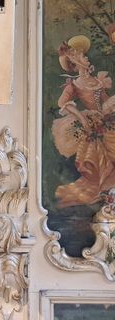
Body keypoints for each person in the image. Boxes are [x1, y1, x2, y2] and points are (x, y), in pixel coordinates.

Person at [51, 35, 115, 208]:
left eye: (86, 56)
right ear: (75, 62)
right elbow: (62, 104)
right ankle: (105, 193)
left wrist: (110, 108)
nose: (87, 58)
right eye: (83, 56)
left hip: (105, 119)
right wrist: (81, 117)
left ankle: (109, 192)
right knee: (101, 158)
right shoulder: (75, 84)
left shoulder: (97, 80)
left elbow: (105, 100)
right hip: (91, 122)